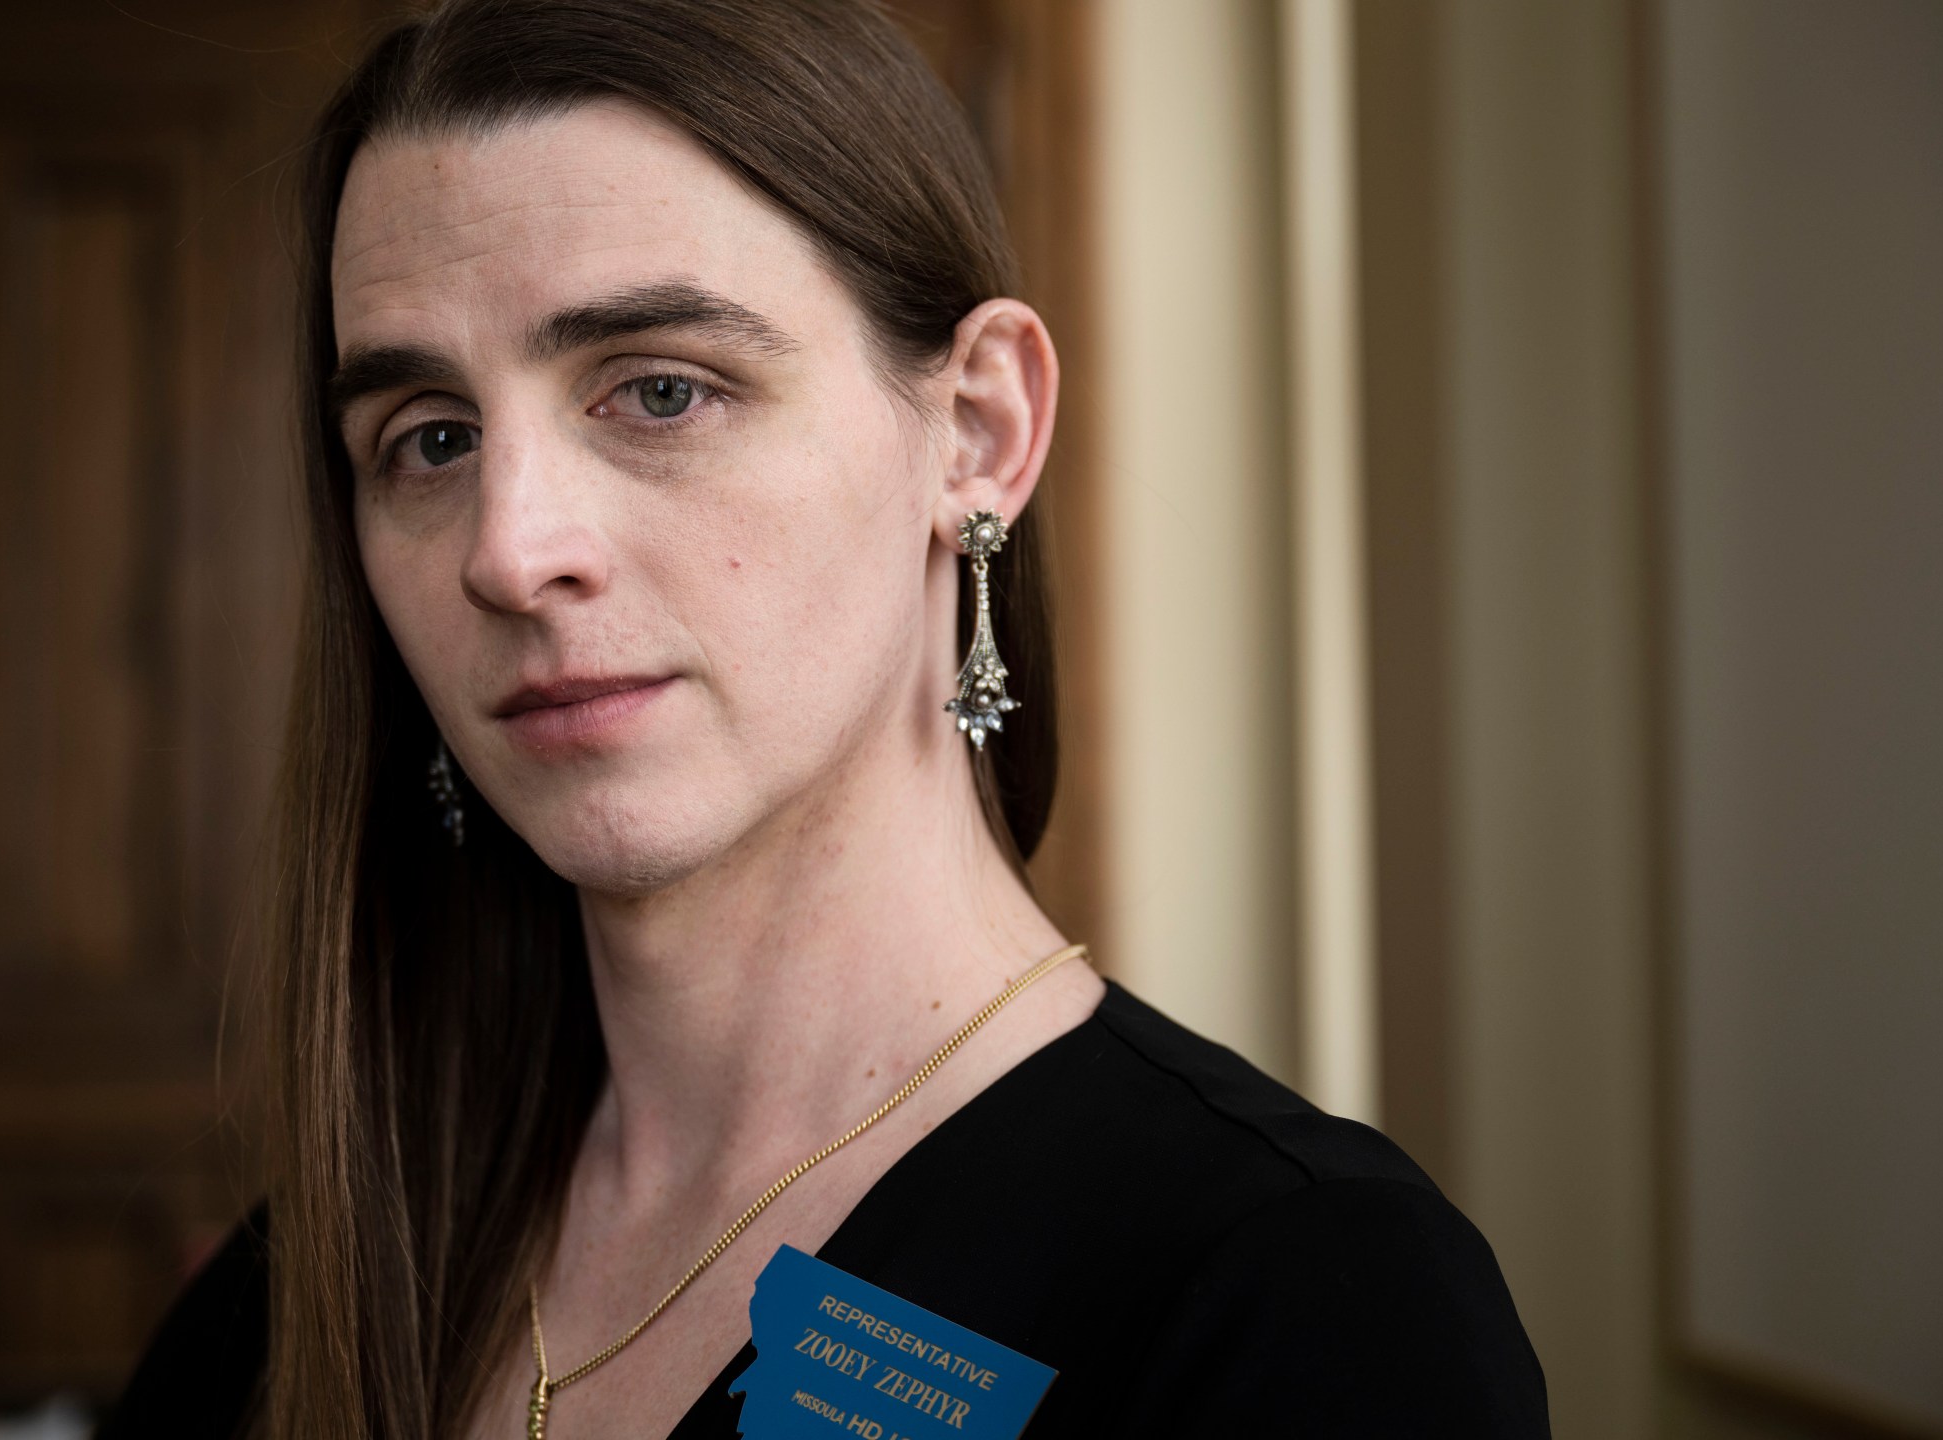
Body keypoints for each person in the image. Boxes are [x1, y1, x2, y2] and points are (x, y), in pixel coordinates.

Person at [101, 1, 1547, 1436]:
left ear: (977, 431)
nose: (507, 546)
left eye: (660, 390)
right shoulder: (300, 1294)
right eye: (429, 437)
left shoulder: (1307, 1298)